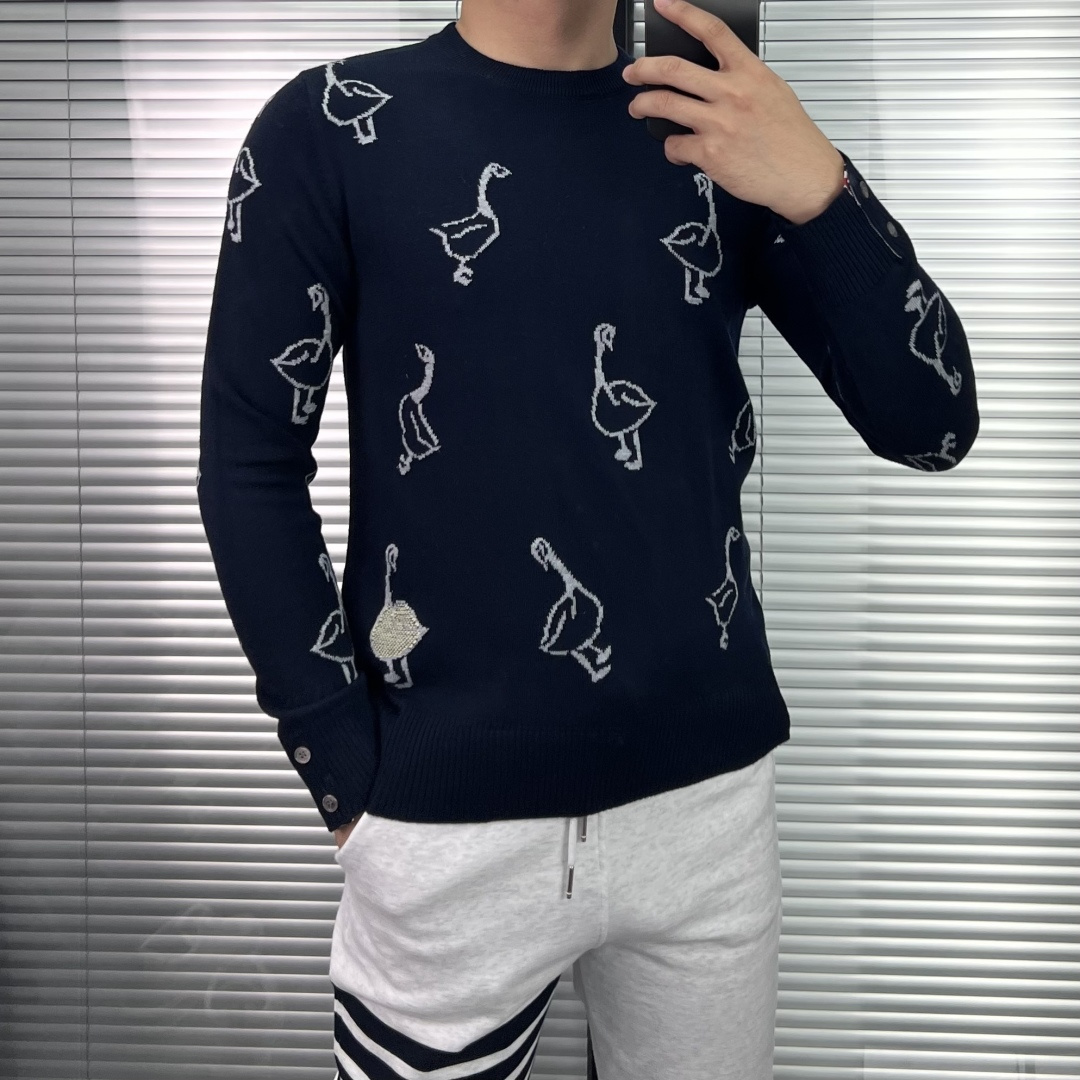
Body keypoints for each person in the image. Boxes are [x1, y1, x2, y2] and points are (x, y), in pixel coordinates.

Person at [196, 0, 980, 1076]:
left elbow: (932, 427)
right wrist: (343, 771)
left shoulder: (716, 128)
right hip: (442, 832)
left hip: (707, 818)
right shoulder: (330, 124)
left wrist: (819, 189)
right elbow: (249, 467)